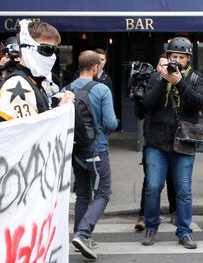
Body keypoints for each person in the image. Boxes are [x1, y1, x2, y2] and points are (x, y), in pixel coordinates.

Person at [140, 36, 203, 249]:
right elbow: (147, 106)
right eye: (173, 56)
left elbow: (201, 104)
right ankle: (151, 226)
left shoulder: (196, 79)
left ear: (188, 60)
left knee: (184, 190)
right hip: (157, 142)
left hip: (184, 142)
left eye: (181, 57)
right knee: (153, 187)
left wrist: (179, 83)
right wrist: (163, 81)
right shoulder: (155, 78)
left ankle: (184, 231)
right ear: (167, 57)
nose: (177, 60)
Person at [70, 50, 118, 260]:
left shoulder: (67, 89)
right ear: (96, 67)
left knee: (82, 193)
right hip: (96, 149)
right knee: (103, 193)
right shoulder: (102, 89)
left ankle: (80, 236)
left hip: (76, 151)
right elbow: (110, 123)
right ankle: (82, 233)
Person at [0, 19, 74, 124]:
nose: (52, 56)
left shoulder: (34, 82)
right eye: (47, 49)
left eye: (55, 51)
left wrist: (56, 103)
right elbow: (29, 133)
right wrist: (59, 109)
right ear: (27, 50)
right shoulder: (17, 84)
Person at [131, 55, 177, 231]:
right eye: (162, 64)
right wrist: (137, 98)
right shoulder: (151, 83)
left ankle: (175, 211)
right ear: (157, 67)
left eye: (168, 65)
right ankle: (144, 215)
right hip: (152, 139)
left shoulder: (177, 82)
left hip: (173, 139)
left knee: (173, 178)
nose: (165, 68)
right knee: (150, 181)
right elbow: (140, 114)